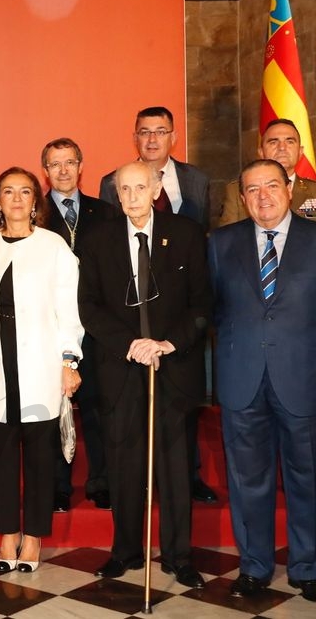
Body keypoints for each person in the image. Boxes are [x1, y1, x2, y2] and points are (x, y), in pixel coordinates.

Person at [209, 159, 316, 604]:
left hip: (305, 378)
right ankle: (254, 567)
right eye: (252, 190)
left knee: (307, 478)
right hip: (242, 379)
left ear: (289, 187)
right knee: (247, 480)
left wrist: (312, 348)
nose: (263, 197)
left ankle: (307, 568)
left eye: (271, 186)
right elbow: (214, 308)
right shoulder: (220, 243)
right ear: (242, 197)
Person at [78, 161, 211, 590]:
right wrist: (129, 344)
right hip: (121, 368)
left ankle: (178, 556)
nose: (133, 196)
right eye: (124, 189)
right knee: (123, 466)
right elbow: (89, 305)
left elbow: (202, 302)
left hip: (172, 366)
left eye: (141, 186)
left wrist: (168, 343)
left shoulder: (187, 234)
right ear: (116, 195)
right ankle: (126, 552)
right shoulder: (97, 239)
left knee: (174, 468)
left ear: (157, 187)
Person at [0, 167, 83, 574]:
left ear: (36, 201)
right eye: (8, 192)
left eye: (24, 192)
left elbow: (70, 311)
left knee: (40, 461)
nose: (15, 199)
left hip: (42, 366)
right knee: (2, 460)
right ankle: (7, 536)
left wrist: (69, 360)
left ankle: (33, 539)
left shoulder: (54, 248)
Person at [98, 106, 217, 505]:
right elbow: (95, 297)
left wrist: (169, 340)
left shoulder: (196, 183)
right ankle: (127, 542)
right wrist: (131, 342)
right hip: (127, 344)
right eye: (144, 132)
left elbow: (201, 292)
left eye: (160, 131)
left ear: (173, 136)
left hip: (176, 335)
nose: (152, 139)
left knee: (178, 448)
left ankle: (181, 539)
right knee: (127, 451)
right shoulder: (105, 231)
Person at [39, 138, 117, 512]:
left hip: (98, 326)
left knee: (99, 407)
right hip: (51, 327)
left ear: (81, 166)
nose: (64, 170)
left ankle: (101, 481)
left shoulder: (105, 213)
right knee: (54, 407)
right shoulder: (33, 214)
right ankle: (57, 487)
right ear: (46, 171)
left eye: (70, 162)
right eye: (56, 164)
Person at [218, 119, 316, 232]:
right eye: (273, 142)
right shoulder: (236, 192)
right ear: (261, 152)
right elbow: (227, 244)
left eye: (290, 142)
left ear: (300, 152)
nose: (282, 148)